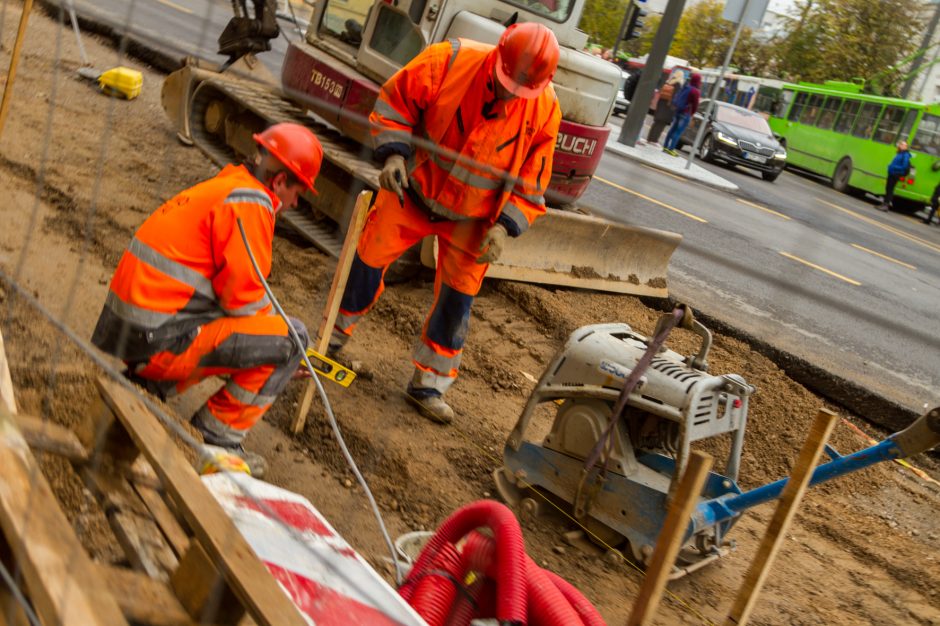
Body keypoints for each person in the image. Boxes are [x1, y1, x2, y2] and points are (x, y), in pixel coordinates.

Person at [329, 23, 562, 425]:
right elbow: (394, 104)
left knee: (457, 301)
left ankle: (428, 384)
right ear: (497, 59)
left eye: (520, 90)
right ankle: (329, 340)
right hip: (412, 191)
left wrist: (505, 227)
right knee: (366, 263)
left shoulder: (544, 110)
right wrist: (394, 156)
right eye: (507, 83)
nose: (510, 94)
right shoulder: (449, 60)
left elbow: (533, 183)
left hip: (473, 220)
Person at [91, 123, 323, 477]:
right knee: (294, 339)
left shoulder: (225, 187)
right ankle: (216, 441)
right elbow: (244, 304)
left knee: (261, 331)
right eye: (298, 192)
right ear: (279, 182)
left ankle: (148, 386)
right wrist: (280, 345)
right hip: (157, 340)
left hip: (132, 333)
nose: (294, 203)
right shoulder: (251, 203)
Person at [662, 73, 701, 156]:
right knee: (678, 132)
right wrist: (692, 114)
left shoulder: (686, 86)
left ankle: (665, 146)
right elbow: (695, 105)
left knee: (672, 129)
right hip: (686, 113)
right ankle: (671, 149)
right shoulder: (696, 91)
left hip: (678, 110)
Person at [645, 72, 684, 147]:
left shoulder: (668, 82)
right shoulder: (678, 84)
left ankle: (649, 138)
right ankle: (654, 140)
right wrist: (674, 107)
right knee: (661, 124)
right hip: (668, 107)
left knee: (656, 123)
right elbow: (675, 97)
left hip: (661, 105)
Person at [877, 141, 912, 212]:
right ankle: (884, 204)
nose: (901, 145)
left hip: (896, 173)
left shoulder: (905, 155)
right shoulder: (900, 153)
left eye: (903, 145)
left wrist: (894, 167)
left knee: (890, 189)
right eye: (901, 144)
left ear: (906, 147)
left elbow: (904, 166)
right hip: (892, 173)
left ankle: (886, 205)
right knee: (888, 188)